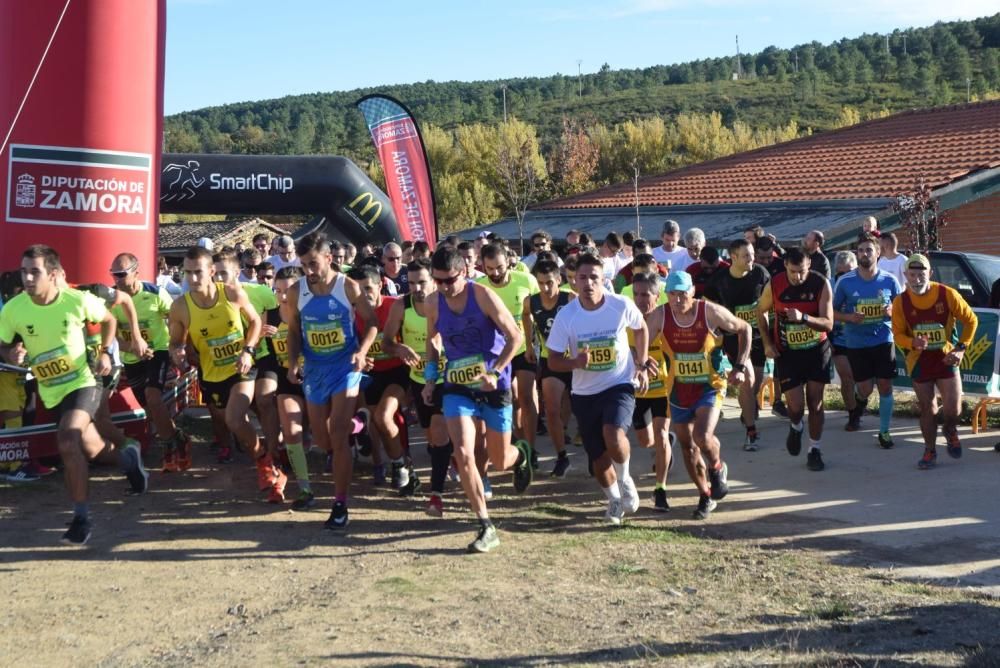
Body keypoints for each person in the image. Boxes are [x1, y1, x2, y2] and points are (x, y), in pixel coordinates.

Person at [0, 245, 148, 544]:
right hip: (51, 390)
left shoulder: (79, 298)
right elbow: (3, 344)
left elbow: (108, 319)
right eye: (24, 271)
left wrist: (107, 352)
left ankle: (81, 519)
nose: (27, 278)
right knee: (90, 447)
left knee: (68, 439)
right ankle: (128, 460)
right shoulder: (14, 308)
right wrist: (11, 354)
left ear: (54, 275)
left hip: (85, 380)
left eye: (34, 272)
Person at [423, 245, 532, 552]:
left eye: (449, 280)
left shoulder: (481, 295)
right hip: (457, 385)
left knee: (498, 460)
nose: (444, 287)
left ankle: (520, 456)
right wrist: (431, 377)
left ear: (465, 272)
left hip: (493, 386)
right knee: (464, 453)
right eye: (438, 280)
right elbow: (433, 341)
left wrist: (496, 372)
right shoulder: (434, 303)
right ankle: (485, 525)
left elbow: (516, 336)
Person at [168, 245, 286, 501]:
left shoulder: (232, 292)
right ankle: (264, 455)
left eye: (198, 272)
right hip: (211, 373)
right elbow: (176, 341)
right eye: (187, 273)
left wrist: (248, 350)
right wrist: (176, 351)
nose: (193, 279)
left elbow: (255, 322)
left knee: (234, 418)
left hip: (242, 367)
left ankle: (266, 462)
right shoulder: (180, 307)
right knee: (226, 420)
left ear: (212, 271)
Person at [546, 252, 649, 525]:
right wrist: (576, 362)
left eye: (594, 277)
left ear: (604, 279)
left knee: (613, 434)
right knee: (598, 458)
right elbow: (553, 360)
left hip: (619, 383)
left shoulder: (619, 304)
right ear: (574, 282)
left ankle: (625, 478)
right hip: (584, 393)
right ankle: (614, 500)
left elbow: (640, 329)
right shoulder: (567, 316)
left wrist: (641, 360)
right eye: (583, 278)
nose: (589, 283)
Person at [284, 233, 379, 530]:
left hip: (345, 367)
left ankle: (340, 503)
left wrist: (362, 352)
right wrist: (292, 362)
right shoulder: (296, 291)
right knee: (323, 440)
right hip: (315, 370)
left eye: (313, 264)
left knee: (336, 435)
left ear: (329, 258)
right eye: (303, 265)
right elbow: (294, 331)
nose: (308, 271)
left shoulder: (348, 287)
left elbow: (373, 322)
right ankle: (360, 423)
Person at [655, 270, 748, 519]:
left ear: (693, 292)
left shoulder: (709, 312)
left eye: (682, 294)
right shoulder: (660, 316)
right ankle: (706, 495)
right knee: (687, 447)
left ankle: (717, 467)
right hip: (678, 389)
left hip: (710, 385)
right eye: (672, 294)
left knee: (702, 436)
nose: (677, 300)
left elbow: (745, 328)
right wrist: (640, 361)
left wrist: (739, 366)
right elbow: (637, 332)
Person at [891, 254, 978, 469]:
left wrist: (961, 349)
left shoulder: (947, 294)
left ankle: (950, 429)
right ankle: (930, 451)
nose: (917, 279)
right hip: (920, 361)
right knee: (927, 408)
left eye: (921, 274)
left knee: (954, 410)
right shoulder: (900, 302)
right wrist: (913, 342)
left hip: (946, 357)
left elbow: (971, 320)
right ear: (905, 276)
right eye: (912, 275)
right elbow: (897, 335)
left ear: (930, 274)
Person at [383, 259, 453, 516]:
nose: (417, 288)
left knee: (440, 428)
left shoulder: (447, 302)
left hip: (449, 376)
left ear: (434, 280)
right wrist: (399, 347)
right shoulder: (402, 305)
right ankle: (445, 458)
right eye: (411, 283)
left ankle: (437, 491)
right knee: (432, 435)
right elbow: (386, 343)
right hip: (418, 378)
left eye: (422, 282)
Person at [108, 253, 190, 472]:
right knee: (150, 409)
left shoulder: (155, 294)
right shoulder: (111, 299)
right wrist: (131, 347)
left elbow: (177, 320)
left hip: (158, 352)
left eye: (121, 274)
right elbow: (112, 335)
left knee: (153, 398)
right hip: (132, 358)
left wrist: (177, 346)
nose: (116, 279)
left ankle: (168, 451)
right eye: (113, 274)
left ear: (136, 272)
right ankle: (178, 438)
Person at [214, 249, 284, 501]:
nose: (219, 279)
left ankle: (274, 453)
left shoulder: (259, 292)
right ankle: (263, 448)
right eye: (216, 274)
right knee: (240, 410)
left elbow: (278, 314)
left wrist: (273, 328)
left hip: (263, 355)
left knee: (265, 399)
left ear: (237, 272)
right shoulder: (211, 299)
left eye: (224, 273)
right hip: (233, 361)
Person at [757, 247, 835, 472]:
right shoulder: (775, 284)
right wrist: (767, 342)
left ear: (809, 264)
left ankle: (815, 449)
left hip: (817, 350)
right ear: (785, 266)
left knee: (815, 402)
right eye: (793, 271)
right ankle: (796, 425)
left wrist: (805, 318)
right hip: (788, 352)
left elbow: (829, 323)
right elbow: (760, 311)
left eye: (801, 271)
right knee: (795, 406)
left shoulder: (821, 283)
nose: (797, 276)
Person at [347, 265, 420, 495]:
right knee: (379, 424)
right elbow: (354, 346)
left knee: (384, 415)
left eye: (368, 288)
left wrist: (402, 350)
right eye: (358, 290)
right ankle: (397, 465)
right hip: (372, 373)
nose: (364, 294)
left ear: (380, 285)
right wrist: (362, 357)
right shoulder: (352, 313)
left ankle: (400, 465)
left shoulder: (394, 306)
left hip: (399, 372)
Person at [833, 233, 902, 449]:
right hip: (856, 342)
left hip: (883, 338)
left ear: (878, 253)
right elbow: (830, 312)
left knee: (885, 386)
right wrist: (849, 317)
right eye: (861, 250)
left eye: (869, 250)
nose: (864, 254)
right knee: (865, 389)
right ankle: (857, 404)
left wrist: (892, 311)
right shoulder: (846, 282)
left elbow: (900, 309)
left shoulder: (890, 280)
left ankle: (884, 431)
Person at [476, 243, 540, 466]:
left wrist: (534, 344)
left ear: (509, 262)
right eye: (489, 268)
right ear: (482, 266)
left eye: (499, 267)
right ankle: (516, 440)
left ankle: (530, 450)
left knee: (526, 396)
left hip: (524, 347)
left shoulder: (526, 281)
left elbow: (536, 312)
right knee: (511, 400)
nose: (495, 273)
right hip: (496, 353)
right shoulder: (479, 287)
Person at [705, 239, 769, 450]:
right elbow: (708, 312)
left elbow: (770, 302)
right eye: (746, 256)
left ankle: (747, 413)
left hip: (759, 337)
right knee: (747, 380)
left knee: (754, 384)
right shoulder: (718, 281)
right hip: (735, 339)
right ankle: (751, 431)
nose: (752, 259)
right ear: (733, 257)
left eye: (752, 254)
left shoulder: (760, 274)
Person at [270, 266, 316, 509]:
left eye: (288, 291)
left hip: (317, 378)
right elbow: (263, 356)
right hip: (286, 379)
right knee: (290, 429)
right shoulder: (269, 316)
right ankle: (304, 488)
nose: (283, 296)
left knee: (327, 433)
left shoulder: (312, 312)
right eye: (278, 291)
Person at [628, 273, 674, 511]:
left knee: (662, 436)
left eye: (645, 294)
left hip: (663, 389)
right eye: (636, 294)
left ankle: (660, 490)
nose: (640, 299)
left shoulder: (666, 320)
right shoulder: (629, 320)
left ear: (657, 296)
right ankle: (663, 448)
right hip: (637, 392)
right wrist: (636, 359)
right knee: (647, 441)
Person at [523, 259, 573, 477]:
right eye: (541, 283)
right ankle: (562, 456)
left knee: (584, 410)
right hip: (550, 359)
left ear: (559, 280)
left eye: (549, 283)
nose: (545, 288)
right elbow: (525, 316)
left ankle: (594, 454)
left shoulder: (570, 298)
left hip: (576, 361)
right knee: (551, 409)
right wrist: (528, 344)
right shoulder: (531, 302)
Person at [831, 251, 863, 431]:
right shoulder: (830, 284)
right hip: (838, 338)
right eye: (840, 273)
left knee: (864, 380)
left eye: (848, 272)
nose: (843, 276)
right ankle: (853, 414)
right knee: (847, 377)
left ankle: (860, 404)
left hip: (860, 338)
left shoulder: (862, 282)